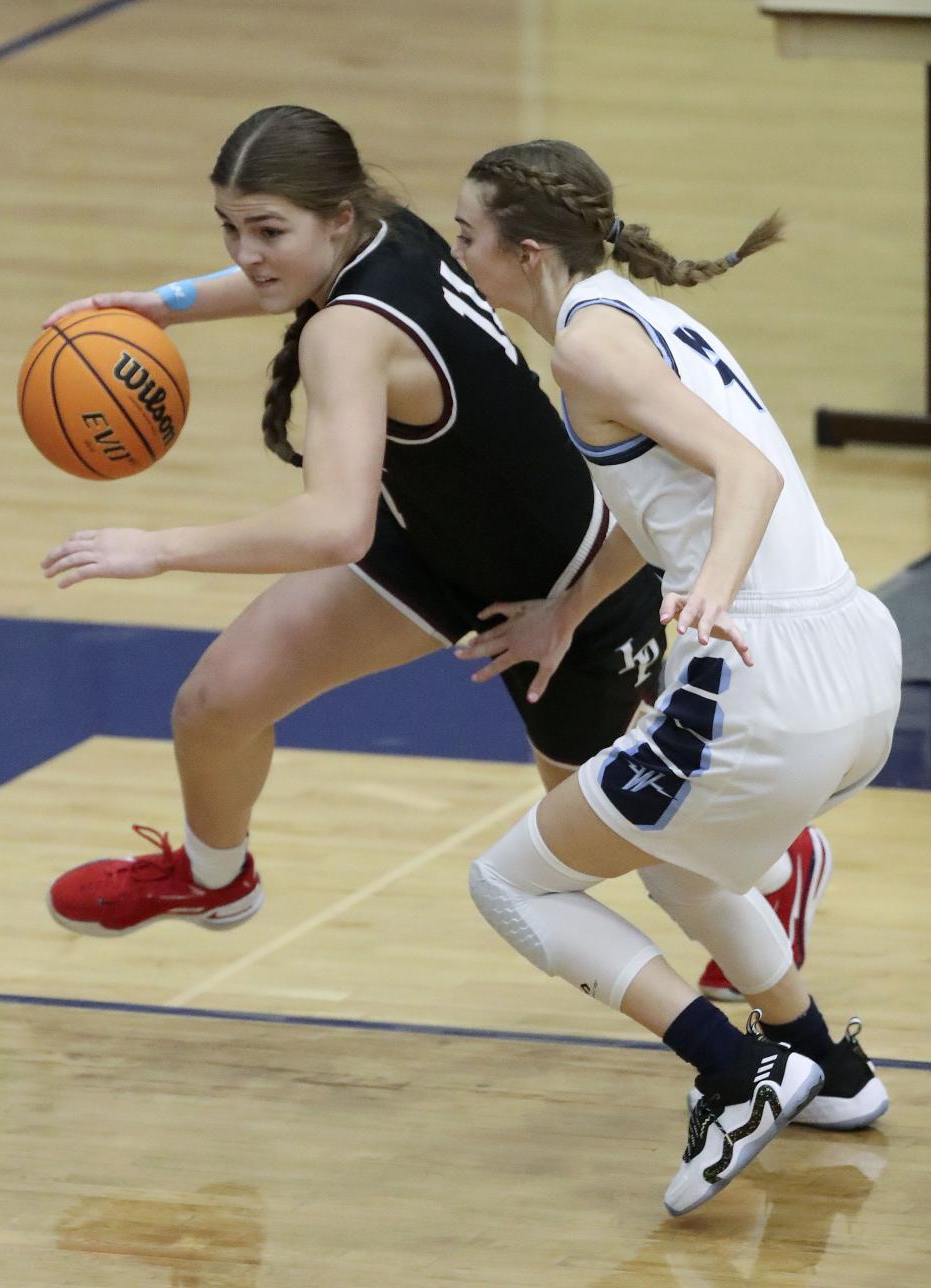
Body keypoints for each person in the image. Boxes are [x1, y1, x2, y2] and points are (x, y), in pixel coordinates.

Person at [41, 105, 827, 998]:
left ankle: (778, 868)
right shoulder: (388, 231)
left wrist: (157, 548)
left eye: (267, 229)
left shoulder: (350, 331)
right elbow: (276, 286)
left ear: (337, 218)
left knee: (632, 847)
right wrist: (163, 307)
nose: (247, 252)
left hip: (568, 590)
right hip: (428, 544)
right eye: (230, 228)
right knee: (215, 703)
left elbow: (334, 526)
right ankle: (215, 880)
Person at [450, 139, 901, 1214]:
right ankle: (821, 1065)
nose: (459, 256)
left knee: (510, 885)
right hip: (854, 660)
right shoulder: (635, 315)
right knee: (682, 865)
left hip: (762, 682)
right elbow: (660, 498)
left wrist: (712, 595)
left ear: (520, 252)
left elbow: (741, 473)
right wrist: (568, 608)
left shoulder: (589, 351)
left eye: (466, 238)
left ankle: (734, 1071)